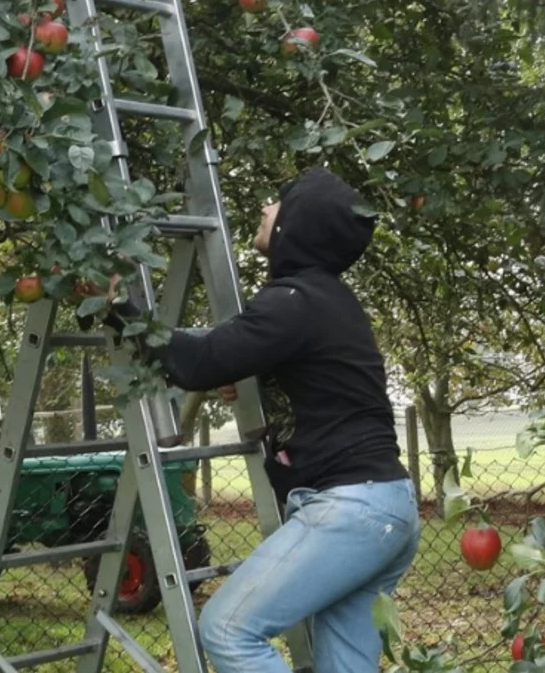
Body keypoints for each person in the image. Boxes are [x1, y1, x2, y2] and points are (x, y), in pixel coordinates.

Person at [115, 167, 418, 672]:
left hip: (352, 508)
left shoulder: (294, 303)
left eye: (279, 204)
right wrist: (253, 371)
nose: (264, 209)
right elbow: (312, 377)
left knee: (229, 630)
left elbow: (196, 363)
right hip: (388, 506)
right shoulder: (327, 301)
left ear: (297, 226)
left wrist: (119, 307)